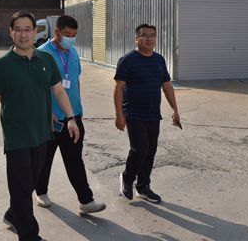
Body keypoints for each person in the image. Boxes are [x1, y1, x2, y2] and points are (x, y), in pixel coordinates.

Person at [0, 11, 80, 241]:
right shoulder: (2, 65)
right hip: (16, 137)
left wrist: (71, 118)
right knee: (20, 187)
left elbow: (59, 90)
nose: (23, 34)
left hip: (42, 134)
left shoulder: (46, 60)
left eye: (27, 29)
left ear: (34, 32)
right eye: (18, 29)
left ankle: (13, 215)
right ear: (11, 32)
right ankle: (29, 234)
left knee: (28, 184)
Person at [35, 15, 106, 214]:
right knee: (44, 159)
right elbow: (38, 88)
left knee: (75, 160)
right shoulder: (42, 53)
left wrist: (77, 109)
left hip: (73, 117)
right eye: (67, 34)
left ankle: (86, 201)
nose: (71, 39)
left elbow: (75, 80)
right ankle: (40, 192)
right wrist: (47, 112)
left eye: (74, 35)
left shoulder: (73, 52)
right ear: (57, 32)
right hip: (50, 119)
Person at [114, 23, 181, 204]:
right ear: (136, 39)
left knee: (150, 151)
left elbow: (166, 85)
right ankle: (127, 178)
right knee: (140, 149)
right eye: (144, 35)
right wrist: (119, 114)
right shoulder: (127, 60)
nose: (149, 39)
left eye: (152, 35)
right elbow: (119, 87)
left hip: (153, 113)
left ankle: (143, 187)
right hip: (133, 112)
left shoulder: (159, 60)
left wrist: (175, 110)